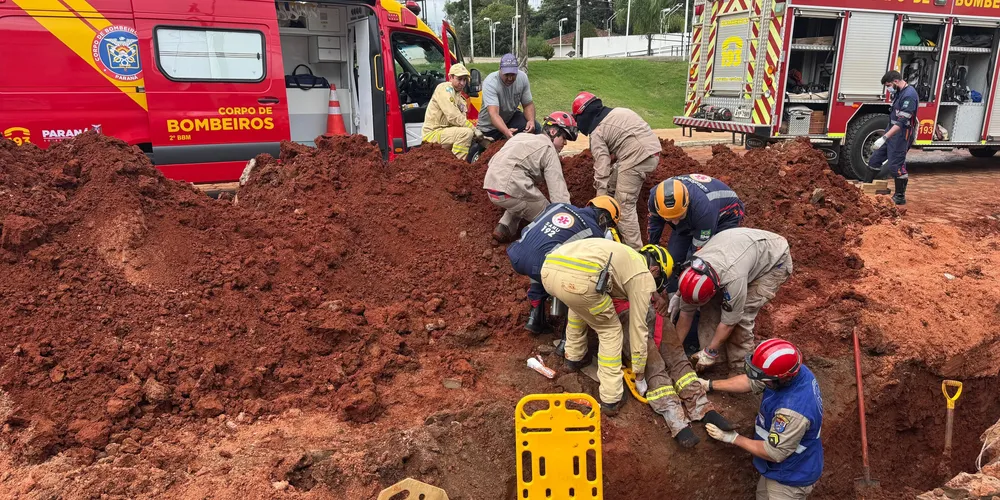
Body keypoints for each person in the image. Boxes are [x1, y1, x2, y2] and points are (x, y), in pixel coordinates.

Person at [540, 238, 664, 414]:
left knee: (580, 305)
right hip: (579, 281)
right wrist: (639, 372)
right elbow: (638, 327)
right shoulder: (642, 275)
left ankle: (573, 358)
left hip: (549, 270)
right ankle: (611, 397)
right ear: (655, 269)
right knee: (610, 330)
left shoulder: (624, 253)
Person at [702, 339, 824, 499]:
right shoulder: (793, 371)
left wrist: (733, 438)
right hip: (775, 468)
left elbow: (774, 453)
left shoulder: (792, 411)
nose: (760, 380)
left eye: (764, 378)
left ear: (782, 378)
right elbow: (751, 381)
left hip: (791, 476)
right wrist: (709, 385)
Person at [614, 297, 735, 448]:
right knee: (654, 367)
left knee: (677, 357)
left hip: (650, 309)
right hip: (626, 316)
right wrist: (639, 374)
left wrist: (657, 297)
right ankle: (676, 421)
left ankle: (702, 407)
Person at [674, 228, 792, 374]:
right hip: (738, 252)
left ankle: (740, 368)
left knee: (741, 317)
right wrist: (675, 354)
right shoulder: (693, 269)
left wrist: (711, 351)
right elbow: (686, 315)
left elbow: (729, 323)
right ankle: (715, 364)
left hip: (773, 260)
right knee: (709, 307)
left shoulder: (734, 279)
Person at [507, 196, 623, 333]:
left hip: (517, 253)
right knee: (577, 279)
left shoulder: (558, 206)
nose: (607, 229)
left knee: (540, 257)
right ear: (603, 218)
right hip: (541, 266)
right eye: (609, 225)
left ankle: (535, 318)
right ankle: (566, 337)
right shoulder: (594, 232)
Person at [572, 91, 661, 249]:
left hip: (636, 156)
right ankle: (613, 230)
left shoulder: (597, 132)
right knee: (611, 187)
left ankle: (635, 252)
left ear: (583, 116)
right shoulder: (617, 112)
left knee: (624, 205)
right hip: (649, 152)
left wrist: (599, 203)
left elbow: (602, 168)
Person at [483, 112, 577, 243]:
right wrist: (570, 221)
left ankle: (504, 227)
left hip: (491, 186)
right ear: (553, 132)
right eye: (564, 138)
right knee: (550, 216)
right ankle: (537, 244)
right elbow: (559, 196)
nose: (565, 143)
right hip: (510, 187)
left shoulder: (521, 136)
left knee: (525, 199)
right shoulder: (549, 149)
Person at [647, 174, 744, 296]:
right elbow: (654, 224)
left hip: (726, 216)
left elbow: (696, 252)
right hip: (691, 216)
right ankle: (671, 295)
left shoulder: (704, 211)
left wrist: (684, 284)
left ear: (686, 203)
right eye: (669, 219)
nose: (675, 223)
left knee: (705, 262)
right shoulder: (655, 197)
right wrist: (652, 249)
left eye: (678, 216)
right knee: (674, 258)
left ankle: (708, 297)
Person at [865, 70, 917, 205]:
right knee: (875, 159)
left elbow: (902, 122)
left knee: (896, 165)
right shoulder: (899, 92)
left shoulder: (909, 96)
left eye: (888, 85)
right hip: (891, 131)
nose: (888, 89)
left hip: (902, 134)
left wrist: (884, 137)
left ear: (895, 81)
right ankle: (866, 186)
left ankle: (900, 196)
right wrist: (886, 135)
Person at [421, 63, 484, 160]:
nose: (462, 83)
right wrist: (473, 129)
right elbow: (453, 115)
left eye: (465, 80)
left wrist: (479, 136)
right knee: (466, 133)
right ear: (450, 77)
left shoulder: (461, 98)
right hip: (433, 134)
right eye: (459, 79)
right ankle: (455, 165)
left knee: (469, 134)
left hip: (445, 133)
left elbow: (461, 122)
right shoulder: (445, 89)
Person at [476, 53, 540, 141]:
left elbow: (528, 104)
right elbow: (494, 114)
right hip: (489, 127)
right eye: (507, 74)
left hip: (510, 119)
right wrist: (506, 132)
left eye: (513, 74)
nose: (510, 78)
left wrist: (531, 121)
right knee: (489, 147)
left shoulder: (522, 78)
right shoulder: (490, 83)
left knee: (536, 128)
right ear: (500, 69)